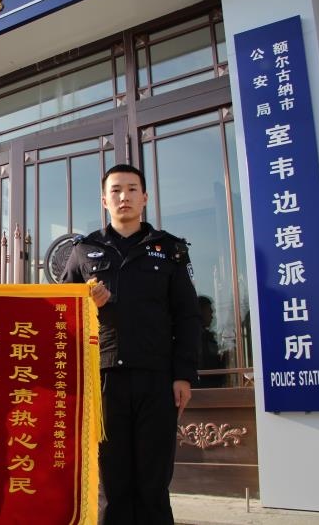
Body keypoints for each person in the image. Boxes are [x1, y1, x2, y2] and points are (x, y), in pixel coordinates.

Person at [61, 164, 200, 525]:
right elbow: (62, 316)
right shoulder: (84, 251)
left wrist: (183, 375)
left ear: (145, 198)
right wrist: (88, 305)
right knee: (112, 484)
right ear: (104, 200)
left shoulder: (170, 249)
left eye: (132, 189)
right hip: (104, 381)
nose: (124, 196)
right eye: (116, 190)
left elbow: (188, 316)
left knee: (154, 483)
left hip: (157, 380)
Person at [196, 295, 227, 388]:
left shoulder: (207, 336)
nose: (212, 315)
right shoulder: (198, 337)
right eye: (209, 311)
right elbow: (207, 364)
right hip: (206, 387)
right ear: (201, 312)